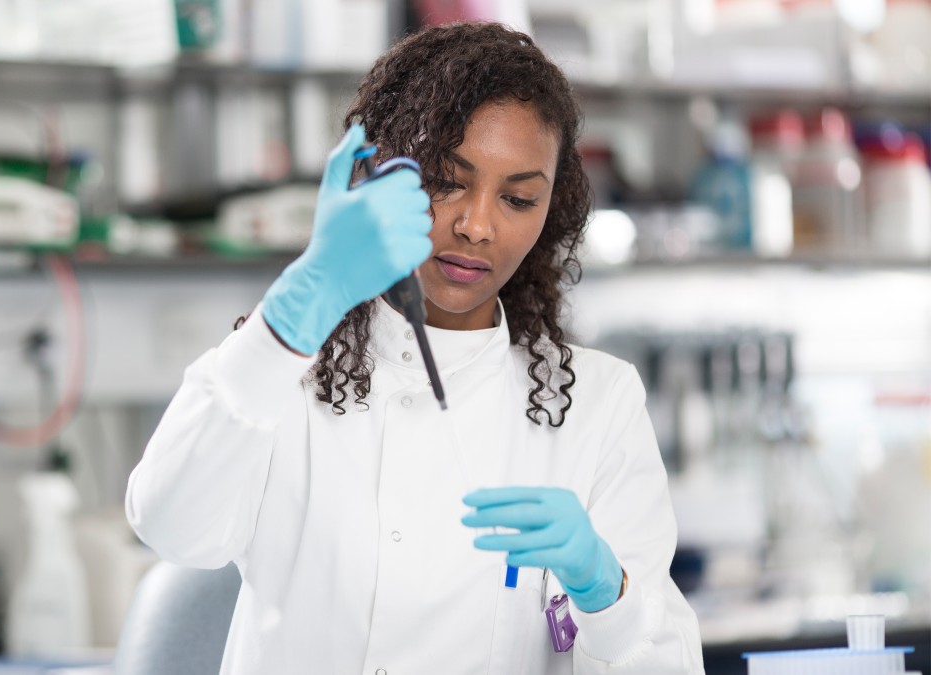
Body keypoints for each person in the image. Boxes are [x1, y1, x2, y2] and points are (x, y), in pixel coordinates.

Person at [125, 22, 704, 675]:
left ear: (552, 209)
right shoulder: (285, 368)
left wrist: (605, 591)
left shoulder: (595, 405)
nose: (477, 224)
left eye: (518, 197)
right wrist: (297, 306)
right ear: (381, 176)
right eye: (447, 181)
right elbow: (169, 524)